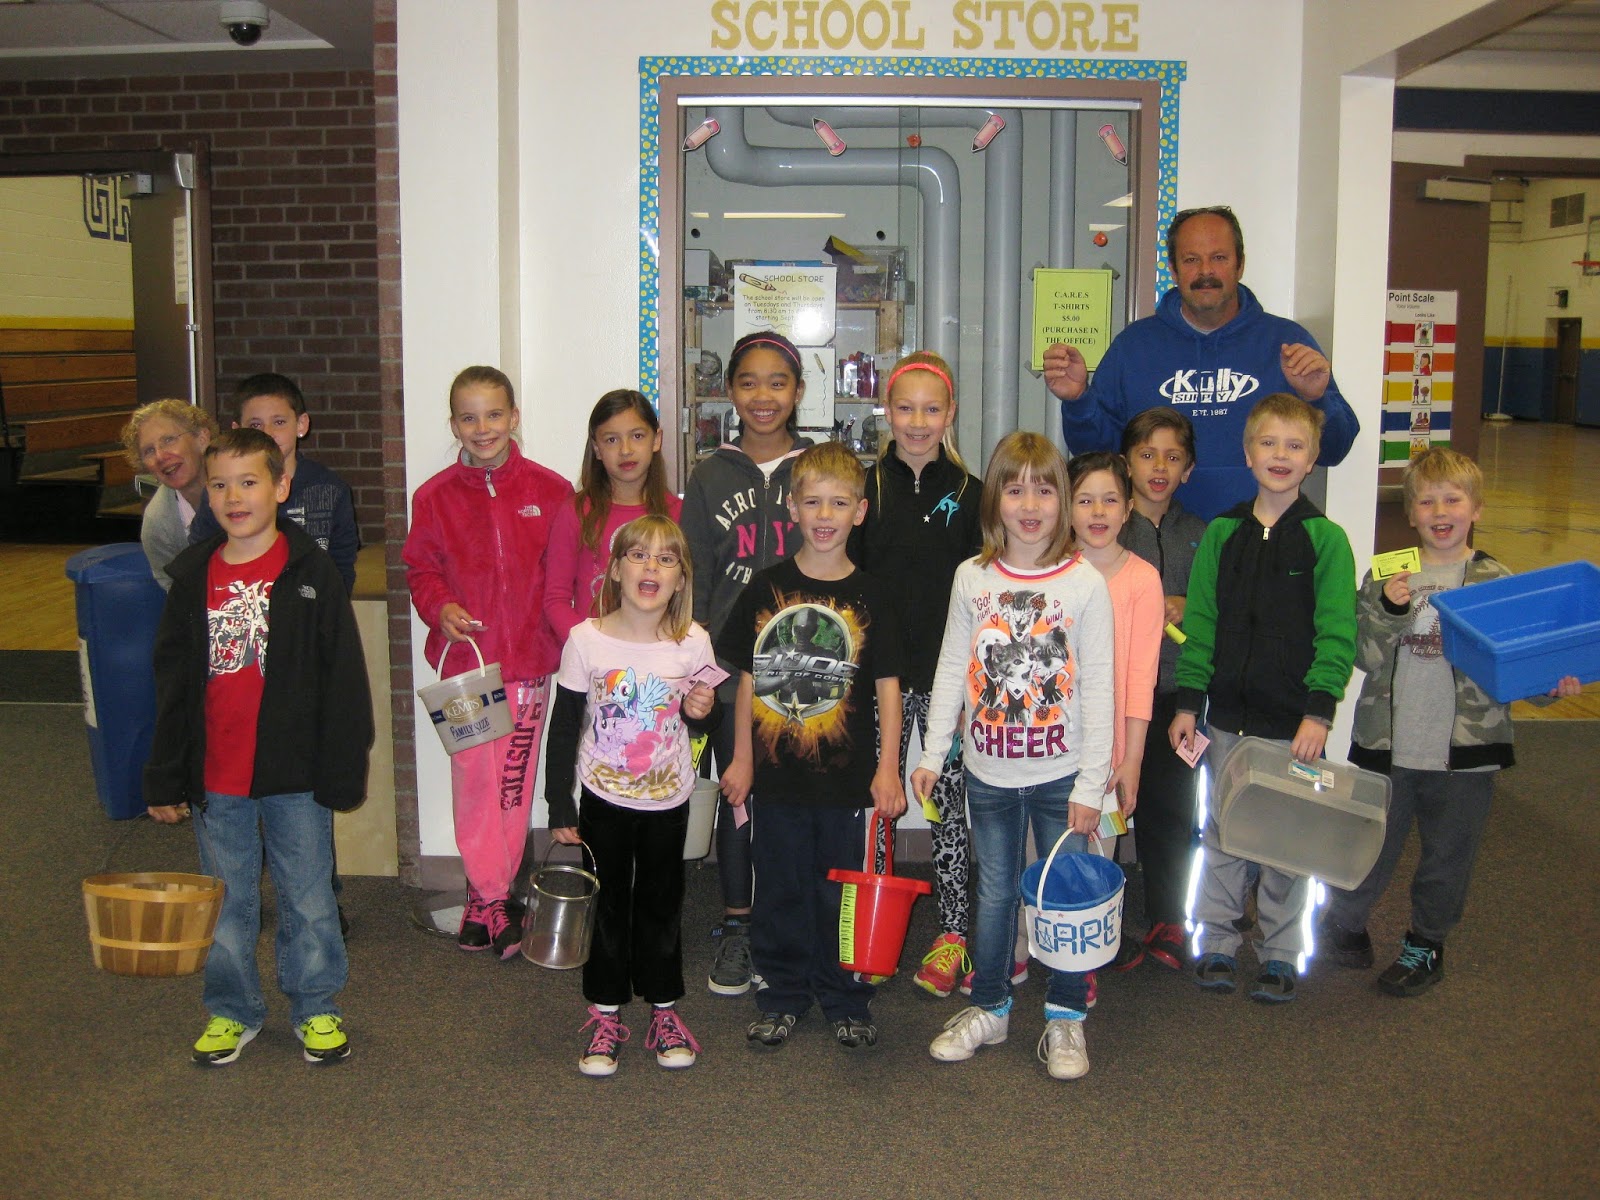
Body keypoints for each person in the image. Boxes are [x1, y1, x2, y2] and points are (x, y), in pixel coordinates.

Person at [143, 428, 373, 1066]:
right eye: (219, 484)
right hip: (217, 775)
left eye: (248, 482)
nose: (233, 497)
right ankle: (231, 1009)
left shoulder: (311, 573)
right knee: (228, 901)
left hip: (296, 773)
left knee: (308, 897)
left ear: (280, 487)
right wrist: (165, 775)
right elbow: (171, 683)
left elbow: (344, 679)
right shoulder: (193, 577)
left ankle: (316, 1004)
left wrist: (342, 767)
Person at [1319, 449, 1581, 996]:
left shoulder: (1495, 579)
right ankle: (1344, 922)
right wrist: (1389, 611)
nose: (1440, 511)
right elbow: (1363, 655)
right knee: (1367, 844)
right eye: (1426, 501)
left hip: (1467, 752)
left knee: (1447, 856)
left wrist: (1551, 687)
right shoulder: (1387, 571)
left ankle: (1427, 942)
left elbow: (1516, 664)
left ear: (1476, 508)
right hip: (1387, 745)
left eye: (1452, 499)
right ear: (1410, 513)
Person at [916, 432, 1115, 1082]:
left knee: (1063, 896)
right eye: (1015, 488)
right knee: (997, 892)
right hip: (989, 773)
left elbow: (1100, 686)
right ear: (994, 499)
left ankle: (1065, 1016)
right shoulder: (971, 578)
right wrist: (932, 751)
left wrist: (1092, 784)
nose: (1030, 505)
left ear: (1063, 500)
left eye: (1045, 489)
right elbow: (952, 665)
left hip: (1063, 776)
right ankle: (990, 1006)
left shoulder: (1084, 584)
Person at [1169, 393, 1357, 1005]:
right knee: (1222, 834)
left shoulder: (1326, 540)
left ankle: (1280, 952)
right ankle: (1218, 942)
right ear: (1248, 454)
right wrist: (1188, 704)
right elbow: (1201, 625)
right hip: (1226, 720)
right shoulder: (1222, 535)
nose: (1281, 455)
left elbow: (1337, 634)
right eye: (1268, 443)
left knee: (1287, 843)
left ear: (1311, 460)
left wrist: (1318, 712)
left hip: (1293, 726)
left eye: (1294, 446)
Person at [717, 442, 905, 1050]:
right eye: (814, 502)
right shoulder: (766, 588)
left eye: (840, 503)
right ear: (793, 509)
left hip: (848, 781)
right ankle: (782, 994)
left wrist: (889, 769)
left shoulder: (874, 595)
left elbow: (888, 689)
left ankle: (846, 998)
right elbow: (748, 681)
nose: (826, 515)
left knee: (840, 894)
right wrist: (742, 758)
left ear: (860, 512)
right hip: (777, 778)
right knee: (780, 889)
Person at [403, 366, 573, 958]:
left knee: (513, 784)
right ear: (453, 424)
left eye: (494, 414)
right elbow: (420, 570)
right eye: (469, 417)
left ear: (514, 417)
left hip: (529, 662)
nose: (483, 428)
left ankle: (489, 896)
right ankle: (492, 896)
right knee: (475, 781)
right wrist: (439, 608)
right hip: (465, 667)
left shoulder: (552, 491)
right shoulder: (433, 497)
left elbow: (564, 575)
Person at [1043, 205, 1359, 519]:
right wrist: (1079, 400)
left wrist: (1317, 398)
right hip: (1157, 537)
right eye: (1191, 260)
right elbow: (1097, 455)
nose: (1205, 271)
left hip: (1261, 537)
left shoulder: (1287, 343)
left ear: (1240, 264)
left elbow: (1335, 450)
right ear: (1173, 269)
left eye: (1219, 258)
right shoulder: (1133, 346)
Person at [544, 515, 721, 1075]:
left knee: (661, 904)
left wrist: (701, 711)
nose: (651, 567)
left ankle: (663, 1008)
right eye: (639, 555)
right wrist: (558, 801)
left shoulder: (694, 642)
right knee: (609, 906)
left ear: (680, 578)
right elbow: (564, 724)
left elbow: (703, 719)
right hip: (603, 798)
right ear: (616, 569)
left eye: (666, 559)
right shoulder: (585, 639)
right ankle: (605, 1012)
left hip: (668, 799)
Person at [679, 331, 813, 997]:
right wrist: (697, 665)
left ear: (798, 392)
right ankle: (737, 924)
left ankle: (795, 926)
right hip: (732, 669)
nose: (764, 396)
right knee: (737, 794)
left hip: (805, 668)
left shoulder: (820, 469)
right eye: (749, 382)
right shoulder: (710, 475)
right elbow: (695, 579)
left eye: (778, 382)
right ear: (729, 392)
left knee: (795, 800)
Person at [846, 350, 983, 999]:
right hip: (878, 679)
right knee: (877, 805)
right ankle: (869, 928)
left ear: (950, 414)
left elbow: (984, 594)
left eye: (932, 409)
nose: (919, 422)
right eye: (906, 408)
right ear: (887, 412)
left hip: (947, 682)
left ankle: (953, 934)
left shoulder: (974, 494)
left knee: (946, 808)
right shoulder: (864, 491)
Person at [1109, 407, 1208, 972]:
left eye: (1173, 457)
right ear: (1127, 464)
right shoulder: (1109, 528)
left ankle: (1169, 916)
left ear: (1188, 470)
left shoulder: (1201, 535)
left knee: (1171, 810)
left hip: (1175, 697)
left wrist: (1190, 607)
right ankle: (1104, 919)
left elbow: (1217, 612)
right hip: (1115, 699)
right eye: (1147, 455)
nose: (1160, 467)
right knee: (1108, 809)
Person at [189, 374, 360, 596]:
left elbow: (342, 565)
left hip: (309, 609)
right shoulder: (223, 495)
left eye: (279, 422)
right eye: (255, 424)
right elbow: (199, 557)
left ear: (301, 424)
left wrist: (330, 610)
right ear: (237, 430)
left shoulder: (331, 489)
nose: (268, 433)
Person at [543, 390, 681, 644]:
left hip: (659, 656)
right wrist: (591, 649)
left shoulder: (677, 513)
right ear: (597, 448)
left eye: (637, 436)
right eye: (611, 440)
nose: (625, 450)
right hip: (592, 658)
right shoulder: (576, 512)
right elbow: (556, 599)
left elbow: (685, 597)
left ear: (657, 440)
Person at [121, 399, 218, 590]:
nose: (160, 456)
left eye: (168, 440)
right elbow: (174, 589)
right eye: (149, 451)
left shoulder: (245, 489)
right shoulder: (157, 522)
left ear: (201, 439)